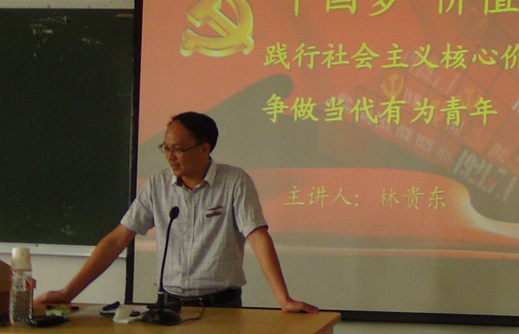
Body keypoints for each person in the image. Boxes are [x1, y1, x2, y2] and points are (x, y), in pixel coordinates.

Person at [37, 111, 317, 313]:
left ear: (205, 148)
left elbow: (257, 236)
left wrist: (283, 299)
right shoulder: (158, 185)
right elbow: (117, 240)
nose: (170, 156)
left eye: (179, 149)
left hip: (221, 307)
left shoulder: (234, 182)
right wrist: (67, 292)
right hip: (168, 306)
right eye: (166, 148)